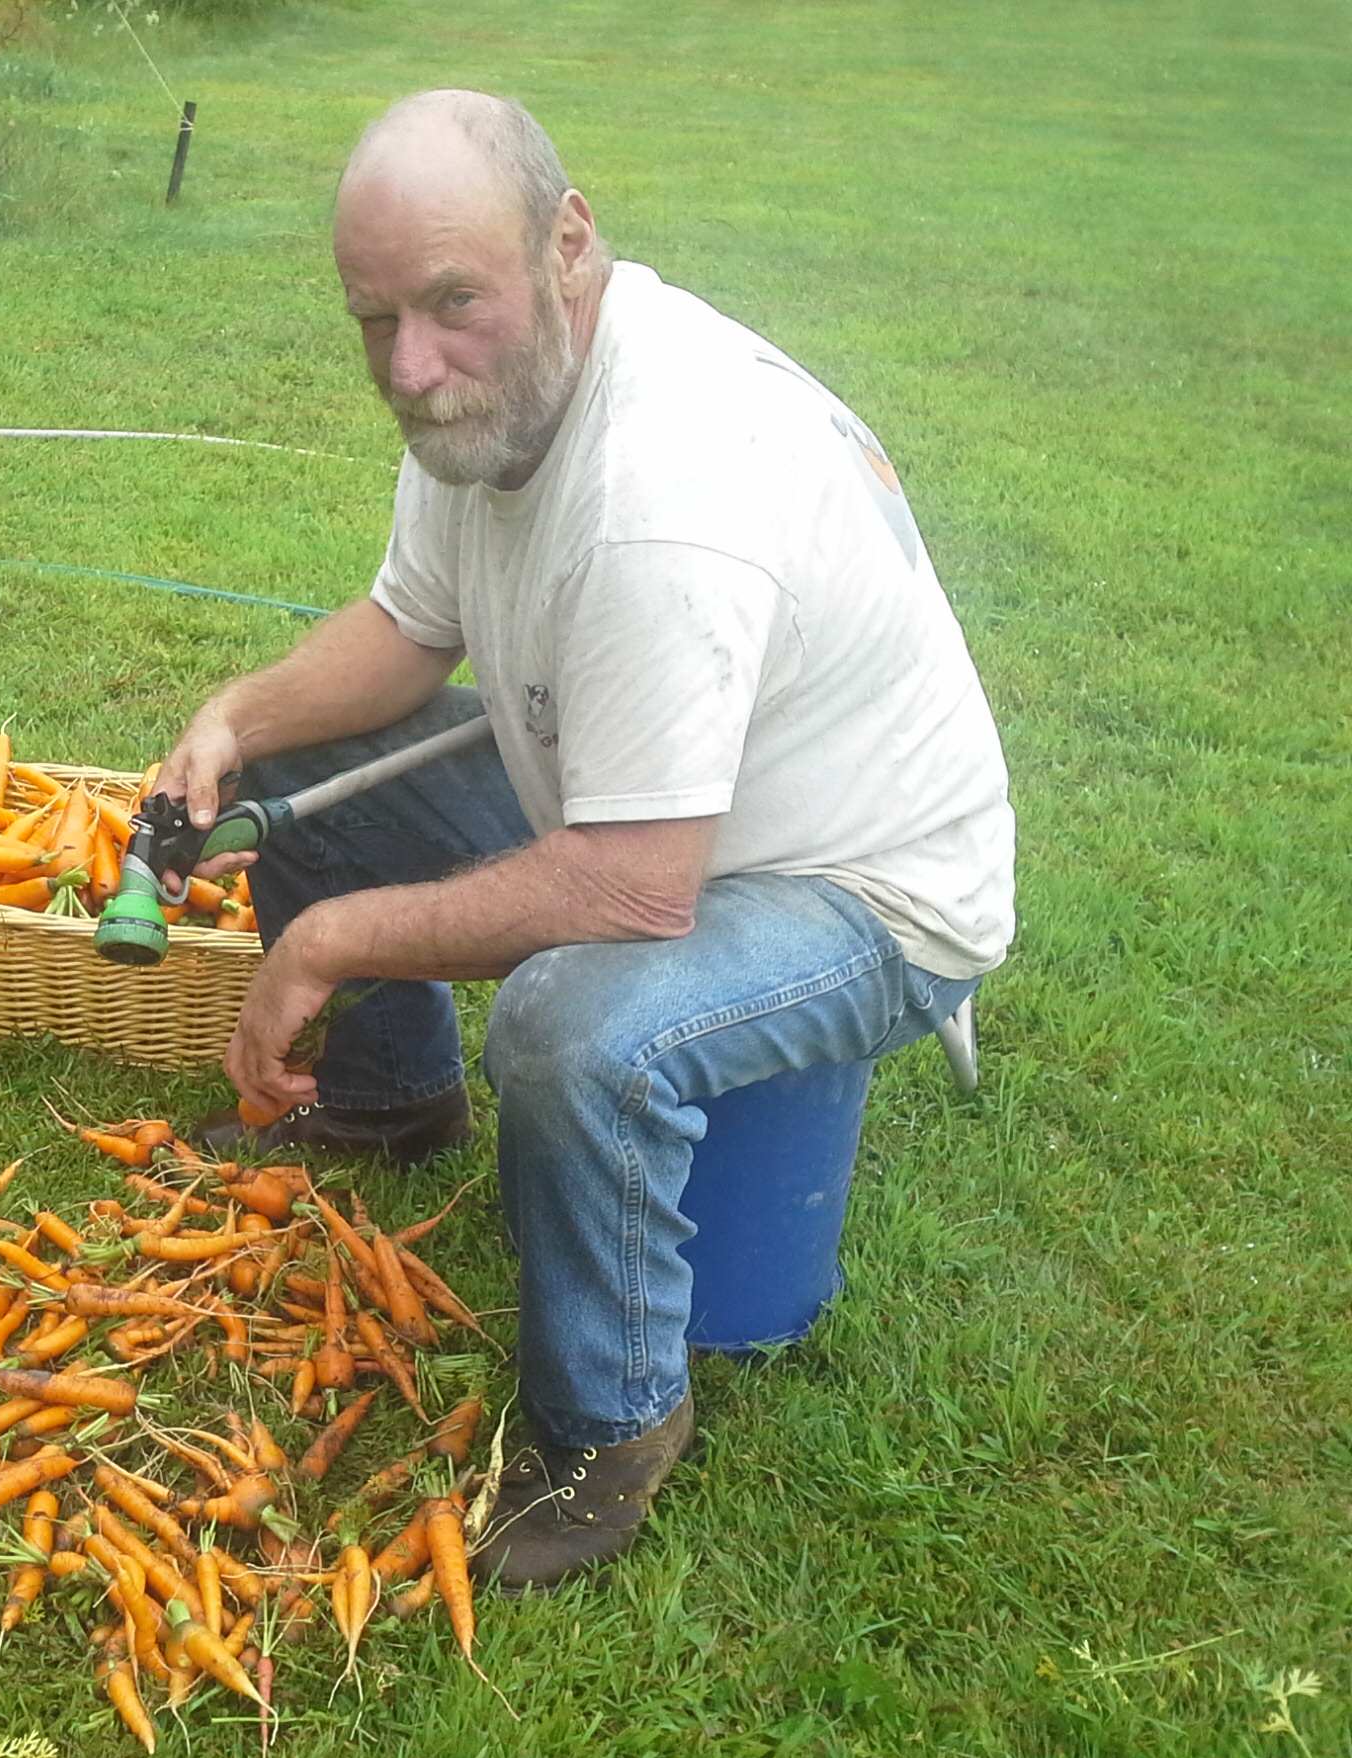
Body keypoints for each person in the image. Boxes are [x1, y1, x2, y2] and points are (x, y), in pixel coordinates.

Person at [151, 90, 1015, 1589]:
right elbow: (408, 629)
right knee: (323, 748)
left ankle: (612, 1424)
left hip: (863, 891)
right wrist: (246, 712)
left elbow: (629, 886)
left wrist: (325, 935)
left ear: (569, 244)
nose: (412, 368)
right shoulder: (493, 401)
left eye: (451, 305)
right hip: (664, 799)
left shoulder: (663, 493)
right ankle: (386, 1097)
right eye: (376, 321)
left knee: (573, 1022)